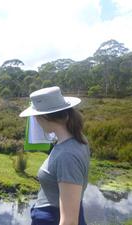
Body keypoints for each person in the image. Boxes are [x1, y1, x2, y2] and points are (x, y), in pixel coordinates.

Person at [19, 86, 90, 225]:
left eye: (35, 116)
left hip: (53, 218)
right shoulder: (76, 138)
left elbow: (69, 221)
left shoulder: (67, 156)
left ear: (43, 117)